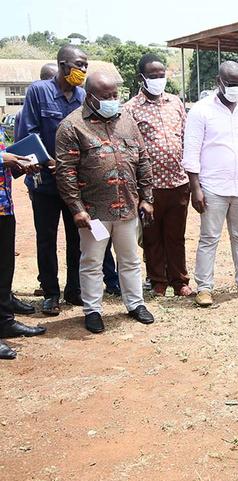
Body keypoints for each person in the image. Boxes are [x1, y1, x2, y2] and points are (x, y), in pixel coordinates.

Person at [55, 72, 156, 334]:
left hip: (128, 206)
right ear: (90, 97)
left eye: (115, 95)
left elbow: (143, 160)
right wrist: (76, 209)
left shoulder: (127, 121)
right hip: (93, 211)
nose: (114, 100)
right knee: (92, 261)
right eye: (107, 96)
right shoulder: (72, 126)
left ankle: (135, 304)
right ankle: (93, 310)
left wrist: (147, 198)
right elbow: (66, 172)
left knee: (131, 259)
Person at [183, 61, 238, 307]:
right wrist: (195, 187)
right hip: (212, 186)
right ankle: (205, 288)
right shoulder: (201, 110)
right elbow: (191, 151)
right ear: (219, 82)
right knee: (209, 237)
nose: (236, 88)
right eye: (232, 84)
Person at [15, 45, 88, 316]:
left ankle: (74, 289)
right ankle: (51, 293)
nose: (83, 70)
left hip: (74, 185)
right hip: (44, 182)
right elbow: (28, 133)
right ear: (62, 65)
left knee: (77, 239)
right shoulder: (38, 91)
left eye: (85, 66)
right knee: (46, 238)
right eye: (79, 65)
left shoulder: (82, 96)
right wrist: (50, 163)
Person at [123, 54, 192, 297]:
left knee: (176, 235)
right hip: (148, 187)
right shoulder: (130, 109)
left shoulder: (175, 103)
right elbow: (129, 147)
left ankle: (179, 280)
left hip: (178, 182)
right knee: (152, 237)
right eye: (153, 76)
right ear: (142, 77)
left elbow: (185, 137)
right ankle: (158, 281)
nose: (158, 79)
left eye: (161, 75)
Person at [0, 152, 47, 359]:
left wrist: (19, 164)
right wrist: (2, 159)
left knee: (4, 269)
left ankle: (5, 323)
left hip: (4, 207)